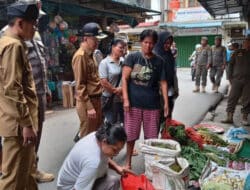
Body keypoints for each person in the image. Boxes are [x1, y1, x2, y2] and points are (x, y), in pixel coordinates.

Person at [0, 1, 39, 189]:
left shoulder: (13, 43)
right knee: (13, 178)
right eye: (33, 24)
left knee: (26, 172)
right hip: (17, 125)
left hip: (19, 122)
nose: (35, 28)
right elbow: (12, 90)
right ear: (21, 23)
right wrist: (26, 124)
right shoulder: (13, 46)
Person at [122, 29, 168, 169]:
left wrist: (166, 103)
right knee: (130, 136)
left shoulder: (159, 61)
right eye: (146, 42)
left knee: (151, 138)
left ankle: (150, 165)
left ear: (154, 44)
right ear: (141, 42)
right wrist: (125, 99)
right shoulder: (133, 57)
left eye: (151, 43)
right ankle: (128, 163)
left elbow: (163, 82)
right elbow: (124, 79)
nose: (148, 46)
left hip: (152, 105)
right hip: (133, 104)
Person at [57, 123, 131, 190]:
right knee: (112, 183)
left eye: (119, 150)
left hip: (71, 181)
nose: (117, 153)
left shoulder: (97, 136)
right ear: (104, 141)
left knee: (113, 182)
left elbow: (103, 157)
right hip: (69, 187)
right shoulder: (93, 162)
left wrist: (117, 168)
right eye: (115, 150)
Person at [72, 22, 107, 142]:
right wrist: (89, 107)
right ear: (86, 38)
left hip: (96, 99)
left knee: (97, 135)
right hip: (88, 101)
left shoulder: (91, 54)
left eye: (98, 39)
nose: (98, 42)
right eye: (95, 39)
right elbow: (80, 85)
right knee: (87, 138)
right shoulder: (80, 56)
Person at [222, 36, 250, 126]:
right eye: (246, 42)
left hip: (248, 81)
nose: (247, 43)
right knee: (232, 98)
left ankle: (245, 118)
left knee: (247, 100)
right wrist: (230, 78)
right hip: (236, 80)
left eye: (248, 42)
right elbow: (230, 65)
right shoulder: (237, 52)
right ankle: (229, 117)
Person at [99, 39, 125, 124]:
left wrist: (122, 90)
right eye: (120, 47)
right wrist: (116, 91)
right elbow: (104, 82)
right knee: (111, 123)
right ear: (113, 47)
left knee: (122, 124)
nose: (122, 50)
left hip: (121, 99)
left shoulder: (123, 61)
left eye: (124, 48)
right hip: (109, 98)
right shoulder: (104, 63)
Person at [154, 31, 179, 121]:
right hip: (158, 93)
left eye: (170, 43)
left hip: (170, 91)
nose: (168, 45)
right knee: (159, 117)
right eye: (166, 43)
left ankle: (165, 133)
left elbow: (173, 73)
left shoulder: (170, 56)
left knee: (168, 115)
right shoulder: (154, 56)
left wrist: (176, 88)